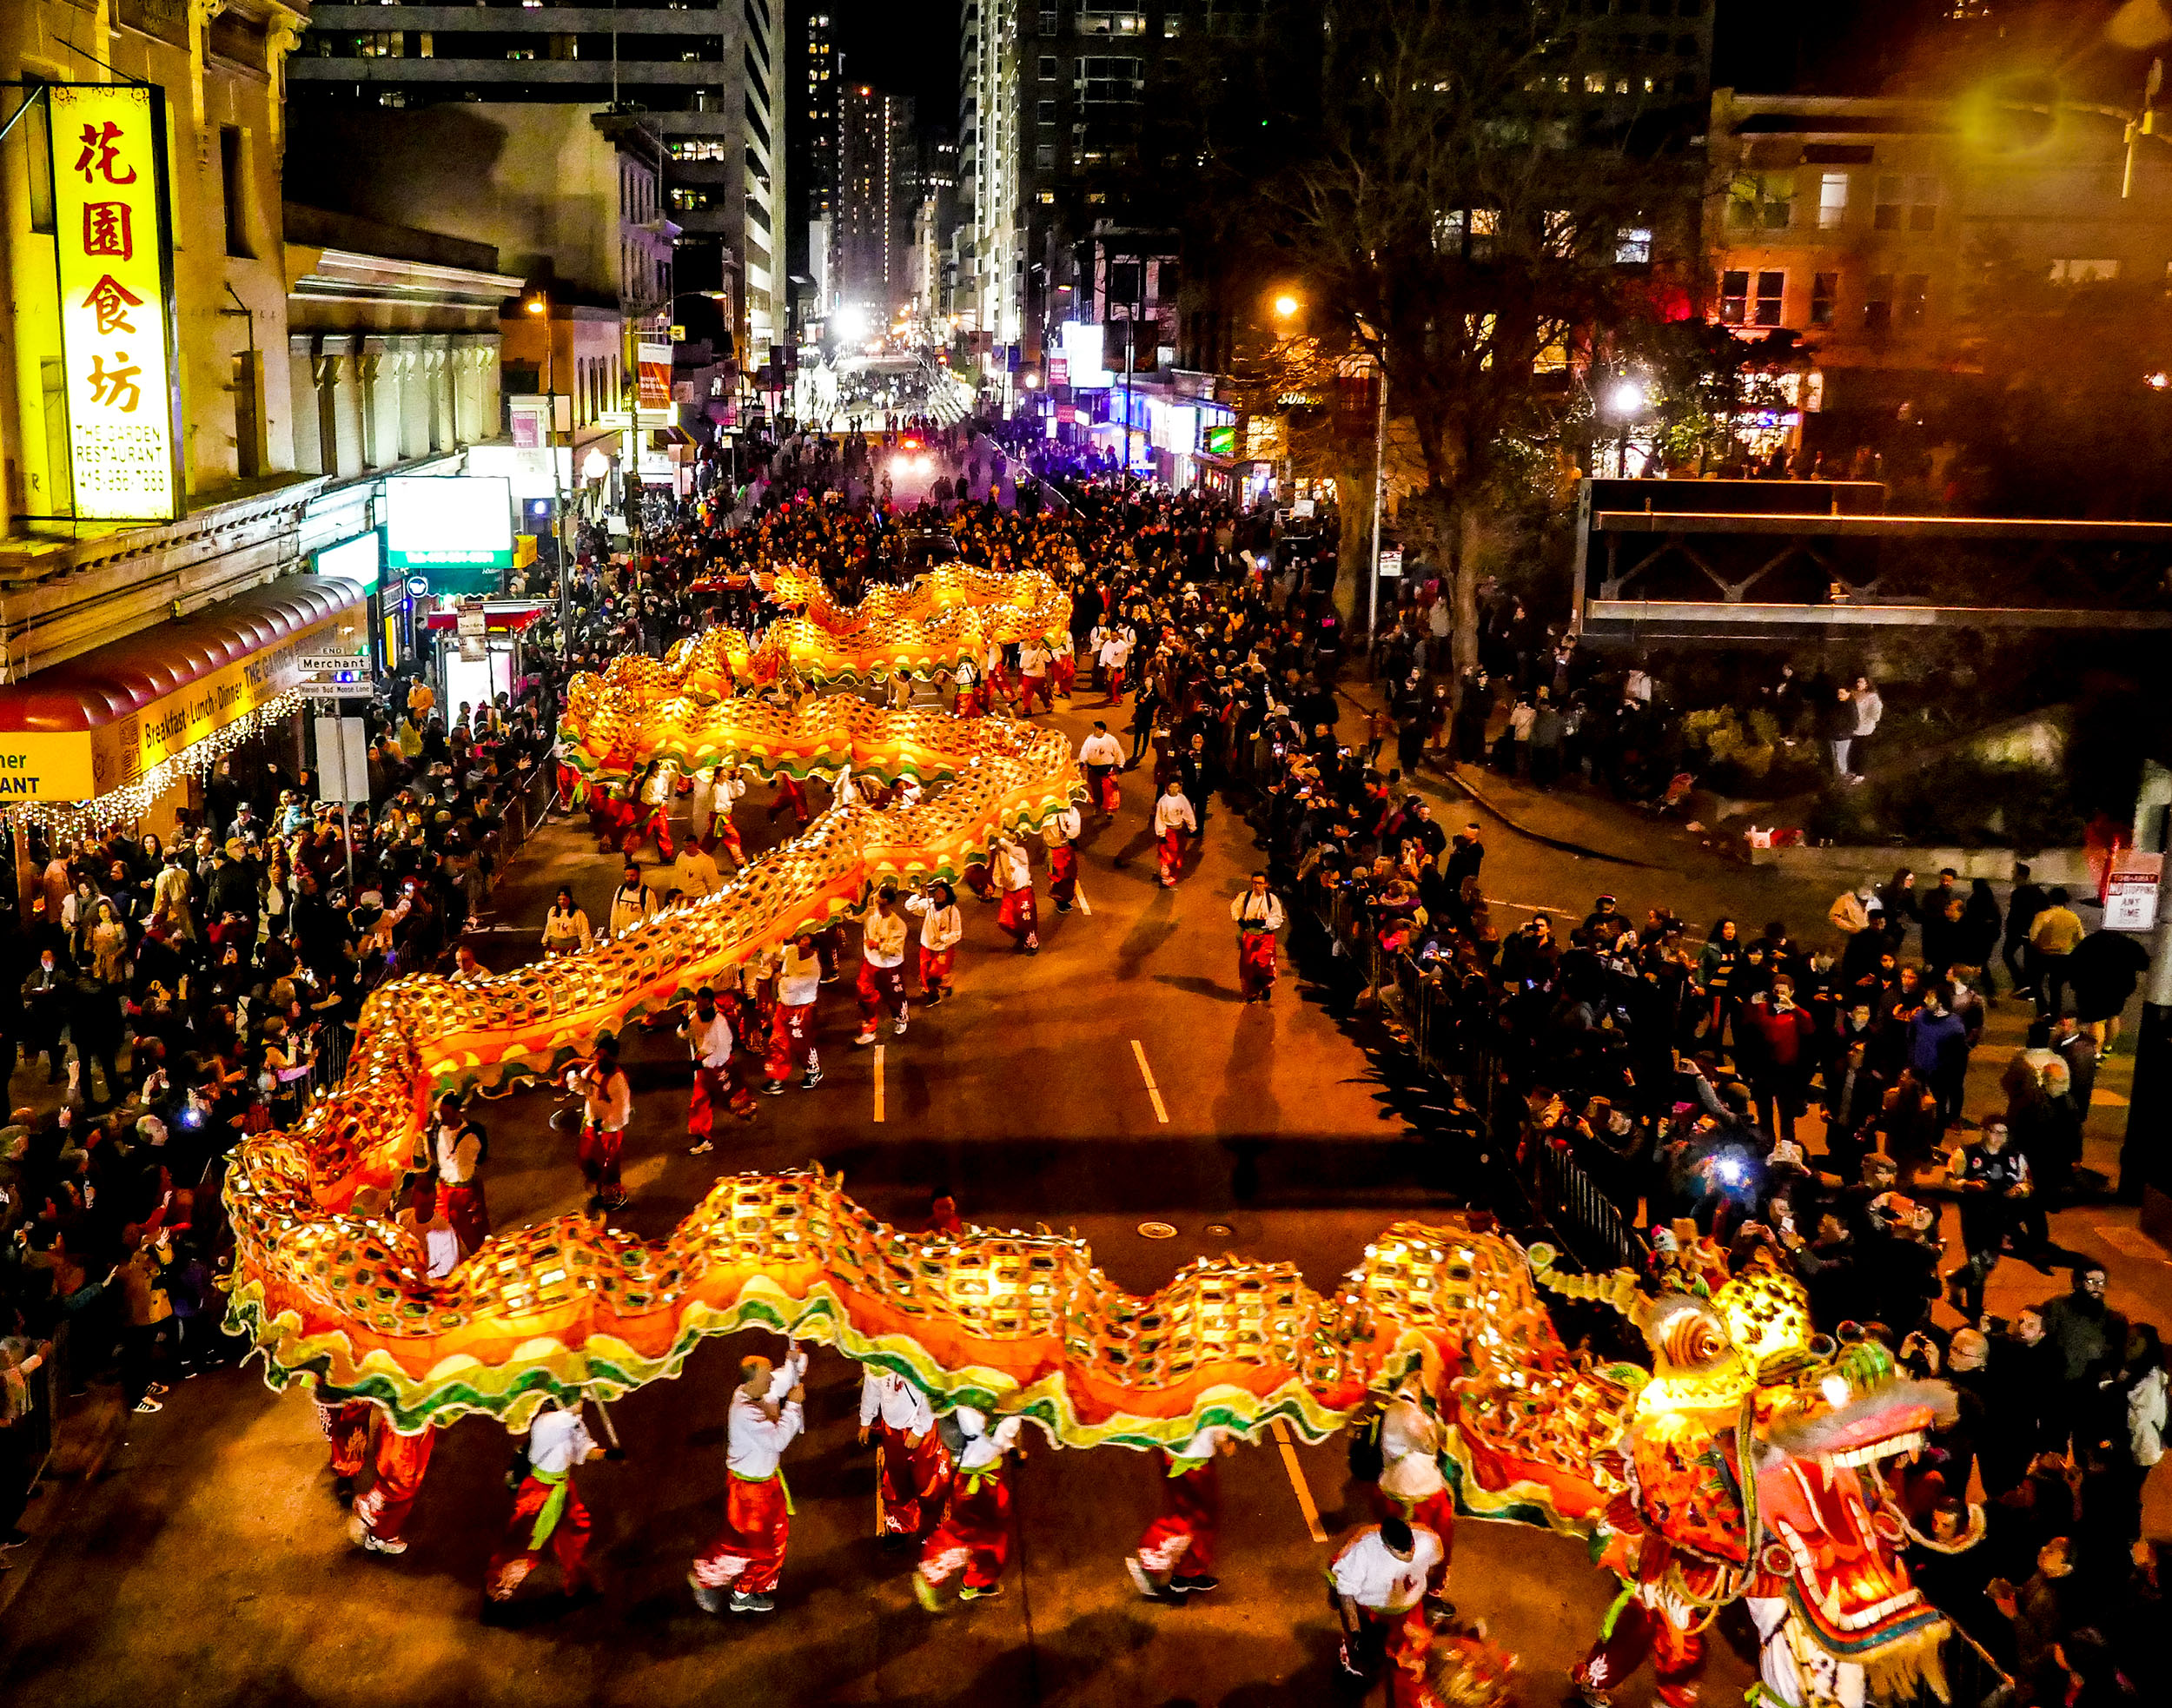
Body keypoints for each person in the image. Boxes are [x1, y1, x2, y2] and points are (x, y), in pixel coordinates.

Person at [691, 1343, 808, 1614]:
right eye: (766, 1375)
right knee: (752, 1546)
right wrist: (792, 1406)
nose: (771, 1379)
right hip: (750, 1494)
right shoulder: (746, 1411)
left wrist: (794, 1361)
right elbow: (777, 1440)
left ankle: (741, 1587)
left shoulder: (757, 1393)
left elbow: (785, 1379)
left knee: (765, 1542)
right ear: (754, 1379)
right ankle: (733, 1588)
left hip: (764, 1486)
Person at [485, 1399, 604, 1608]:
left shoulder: (566, 1421)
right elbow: (570, 1420)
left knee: (575, 1530)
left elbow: (581, 1445)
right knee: (539, 1535)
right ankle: (501, 1581)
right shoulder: (546, 1423)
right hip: (542, 1489)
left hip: (557, 1486)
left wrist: (603, 1453)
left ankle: (578, 1580)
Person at [911, 1405, 1028, 1609]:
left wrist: (1012, 1449)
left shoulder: (995, 1395)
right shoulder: (967, 1400)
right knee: (969, 1533)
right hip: (971, 1482)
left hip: (990, 1477)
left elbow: (1002, 1436)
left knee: (996, 1533)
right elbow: (999, 1434)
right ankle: (931, 1570)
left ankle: (977, 1582)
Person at [1328, 1514, 1442, 1685]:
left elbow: (1435, 1563)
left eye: (1410, 1547)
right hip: (1373, 1612)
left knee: (1414, 1648)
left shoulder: (1427, 1540)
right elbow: (1345, 1592)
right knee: (1369, 1656)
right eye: (1401, 1552)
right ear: (1386, 1546)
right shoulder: (1363, 1551)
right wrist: (1356, 1633)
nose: (1409, 1554)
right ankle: (1355, 1671)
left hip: (1410, 1607)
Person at [1123, 1424, 1234, 1599]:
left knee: (1190, 1512)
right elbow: (1214, 1416)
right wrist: (1224, 1442)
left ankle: (1186, 1574)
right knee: (1198, 1516)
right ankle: (1150, 1557)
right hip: (1196, 1461)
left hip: (1172, 1456)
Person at [1947, 1115, 2030, 1322]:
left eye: (2003, 1133)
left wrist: (2019, 1190)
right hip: (1974, 1216)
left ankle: (1956, 1279)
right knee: (1977, 1264)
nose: (1998, 1137)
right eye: (1994, 1131)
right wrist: (1968, 1185)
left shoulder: (2015, 1156)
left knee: (1988, 1261)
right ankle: (1975, 1313)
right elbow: (1949, 1180)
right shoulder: (1965, 1153)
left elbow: (2027, 1183)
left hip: (2004, 1218)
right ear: (1984, 1131)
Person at [858, 1366, 947, 1546]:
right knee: (897, 1478)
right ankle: (901, 1523)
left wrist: (920, 1429)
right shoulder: (877, 1351)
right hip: (892, 1429)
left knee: (928, 1482)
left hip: (923, 1432)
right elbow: (872, 1384)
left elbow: (933, 1389)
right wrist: (866, 1420)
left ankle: (930, 1527)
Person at [680, 984, 756, 1155]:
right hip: (704, 1070)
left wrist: (704, 1063)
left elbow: (722, 1051)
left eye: (702, 1003)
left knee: (730, 1096)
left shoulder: (720, 1023)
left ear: (709, 1002)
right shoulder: (695, 1017)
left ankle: (745, 1109)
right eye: (697, 1002)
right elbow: (689, 1035)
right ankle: (703, 1138)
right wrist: (684, 1026)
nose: (698, 1006)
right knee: (699, 1103)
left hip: (719, 1068)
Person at [348, 1411, 435, 1557]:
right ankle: (379, 1529)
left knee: (398, 1475)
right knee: (401, 1482)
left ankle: (375, 1506)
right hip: (408, 1423)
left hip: (406, 1418)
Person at [571, 1036, 632, 1210]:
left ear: (613, 1057)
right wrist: (573, 1077)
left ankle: (615, 1195)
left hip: (609, 1133)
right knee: (587, 1159)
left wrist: (604, 1124)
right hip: (592, 1126)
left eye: (605, 1055)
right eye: (599, 1054)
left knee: (608, 1166)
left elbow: (622, 1112)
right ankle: (602, 1190)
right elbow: (582, 1087)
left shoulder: (618, 1081)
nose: (600, 1058)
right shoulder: (592, 1071)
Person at [763, 932, 825, 1093]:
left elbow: (787, 983)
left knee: (802, 1044)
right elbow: (778, 956)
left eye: (804, 944)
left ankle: (813, 1070)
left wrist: (779, 976)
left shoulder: (812, 970)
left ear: (813, 949)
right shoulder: (791, 951)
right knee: (777, 1041)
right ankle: (776, 1078)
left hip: (801, 1010)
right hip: (783, 1006)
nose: (800, 946)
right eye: (800, 941)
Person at [432, 1093, 490, 1257]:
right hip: (444, 1189)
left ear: (458, 1112)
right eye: (441, 1113)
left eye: (447, 1113)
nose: (443, 1117)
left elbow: (477, 1159)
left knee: (473, 1234)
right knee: (441, 1233)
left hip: (465, 1192)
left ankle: (481, 1260)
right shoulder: (440, 1130)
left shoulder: (471, 1134)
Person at [853, 885, 912, 1044]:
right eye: (877, 902)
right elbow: (855, 916)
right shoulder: (871, 917)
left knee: (895, 995)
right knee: (864, 995)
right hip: (870, 963)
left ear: (890, 903)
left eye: (882, 904)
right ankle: (869, 1028)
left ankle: (900, 1018)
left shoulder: (898, 924)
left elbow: (895, 949)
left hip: (890, 966)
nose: (878, 906)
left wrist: (878, 946)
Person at [2029, 887, 2085, 1016]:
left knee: (2036, 982)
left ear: (2050, 899)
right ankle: (2055, 1013)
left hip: (2042, 955)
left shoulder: (2042, 916)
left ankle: (2042, 1009)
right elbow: (2081, 939)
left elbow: (2032, 937)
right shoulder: (2073, 917)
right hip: (2064, 957)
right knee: (2055, 987)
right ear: (2066, 901)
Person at [1230, 871, 1286, 1003]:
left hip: (1265, 938)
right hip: (1249, 937)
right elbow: (1235, 908)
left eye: (1260, 883)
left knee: (1265, 965)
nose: (1257, 886)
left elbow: (1277, 918)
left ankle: (1265, 986)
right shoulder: (1246, 896)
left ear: (1266, 884)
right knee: (1248, 965)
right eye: (1254, 883)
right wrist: (1239, 920)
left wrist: (1264, 923)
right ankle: (1251, 993)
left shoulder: (1271, 900)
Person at [906, 881, 963, 1005]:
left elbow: (957, 933)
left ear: (947, 895)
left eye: (941, 893)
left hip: (943, 949)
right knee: (924, 973)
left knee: (934, 973)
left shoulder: (952, 911)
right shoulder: (929, 905)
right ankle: (935, 991)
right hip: (926, 946)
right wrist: (919, 895)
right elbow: (910, 906)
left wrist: (945, 938)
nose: (938, 895)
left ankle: (937, 991)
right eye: (937, 892)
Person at [990, 834, 1039, 952]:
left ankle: (1032, 944)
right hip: (1009, 893)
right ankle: (1022, 936)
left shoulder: (1020, 853)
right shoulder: (1000, 858)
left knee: (1026, 919)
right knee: (1005, 921)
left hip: (1023, 891)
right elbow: (997, 877)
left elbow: (1012, 850)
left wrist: (1002, 842)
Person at [1153, 779, 1197, 889]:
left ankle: (1172, 873)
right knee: (1169, 856)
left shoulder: (1182, 799)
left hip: (1180, 830)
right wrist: (1162, 834)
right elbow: (1159, 818)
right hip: (1169, 831)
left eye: (1176, 787)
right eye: (1171, 787)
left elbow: (1188, 812)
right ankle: (1166, 877)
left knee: (1179, 853)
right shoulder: (1163, 801)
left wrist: (1191, 825)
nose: (1173, 790)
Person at [1079, 721, 1123, 816]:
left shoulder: (1111, 740)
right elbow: (1084, 751)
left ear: (1102, 729)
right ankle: (1097, 807)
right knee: (1096, 791)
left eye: (1096, 729)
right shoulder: (1090, 739)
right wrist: (1082, 762)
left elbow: (1118, 752)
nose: (1094, 731)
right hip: (1094, 770)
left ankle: (1108, 810)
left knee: (1109, 792)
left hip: (1107, 770)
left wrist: (1120, 765)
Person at [1043, 804, 1083, 913]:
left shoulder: (1044, 813)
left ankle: (1062, 899)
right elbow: (1074, 832)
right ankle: (1061, 900)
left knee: (1063, 877)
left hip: (1057, 849)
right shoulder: (1068, 811)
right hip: (1060, 850)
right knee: (1064, 878)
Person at [606, 864, 654, 940]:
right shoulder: (620, 890)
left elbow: (652, 915)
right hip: (622, 937)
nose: (629, 879)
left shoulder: (646, 893)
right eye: (627, 876)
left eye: (632, 876)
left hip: (639, 937)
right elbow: (614, 912)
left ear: (638, 875)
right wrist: (613, 933)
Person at [541, 886, 592, 956]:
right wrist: (545, 942)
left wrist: (585, 949)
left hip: (571, 948)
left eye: (564, 899)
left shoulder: (578, 914)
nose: (562, 902)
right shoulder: (553, 911)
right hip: (555, 948)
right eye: (559, 900)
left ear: (569, 899)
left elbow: (584, 932)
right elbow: (549, 927)